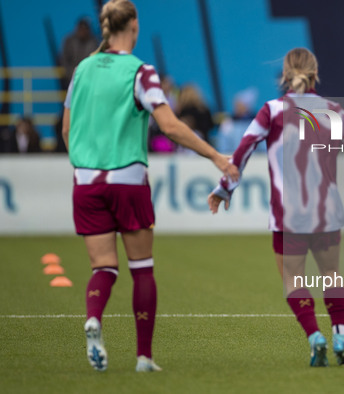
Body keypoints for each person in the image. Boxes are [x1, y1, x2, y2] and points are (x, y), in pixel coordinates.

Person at [61, 0, 238, 373]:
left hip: (86, 183)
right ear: (134, 26)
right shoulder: (140, 71)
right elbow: (170, 126)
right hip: (127, 180)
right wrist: (217, 158)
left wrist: (86, 167)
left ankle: (94, 318)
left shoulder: (82, 70)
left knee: (103, 268)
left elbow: (66, 130)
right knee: (142, 268)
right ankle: (143, 358)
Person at [208, 48, 344, 366]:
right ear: (315, 74)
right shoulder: (333, 110)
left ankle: (315, 336)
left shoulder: (273, 110)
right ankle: (340, 334)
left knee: (294, 280)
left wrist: (225, 188)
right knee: (331, 273)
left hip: (288, 213)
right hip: (326, 210)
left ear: (285, 76)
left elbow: (244, 148)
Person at [60, 17, 100, 86]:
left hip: (88, 78)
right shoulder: (69, 41)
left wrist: (87, 74)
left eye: (85, 29)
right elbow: (64, 60)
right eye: (81, 28)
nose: (83, 31)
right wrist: (71, 73)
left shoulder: (94, 42)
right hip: (70, 78)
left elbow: (95, 60)